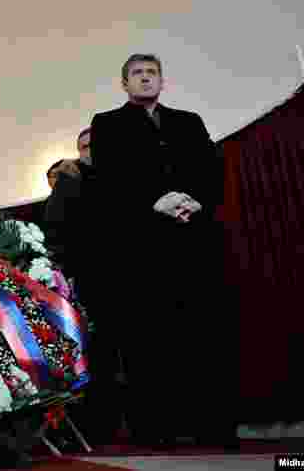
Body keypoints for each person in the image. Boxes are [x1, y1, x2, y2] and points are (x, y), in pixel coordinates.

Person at [89, 53, 231, 448]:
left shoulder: (189, 121)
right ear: (125, 84)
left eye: (152, 73)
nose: (145, 78)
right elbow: (108, 178)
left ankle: (212, 426)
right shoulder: (107, 124)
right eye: (137, 73)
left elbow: (211, 168)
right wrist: (153, 202)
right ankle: (155, 430)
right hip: (142, 250)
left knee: (202, 335)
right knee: (148, 339)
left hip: (194, 244)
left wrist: (196, 200)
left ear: (162, 81)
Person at [42, 128, 95, 273]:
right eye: (85, 147)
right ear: (80, 152)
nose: (90, 150)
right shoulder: (69, 183)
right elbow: (55, 230)